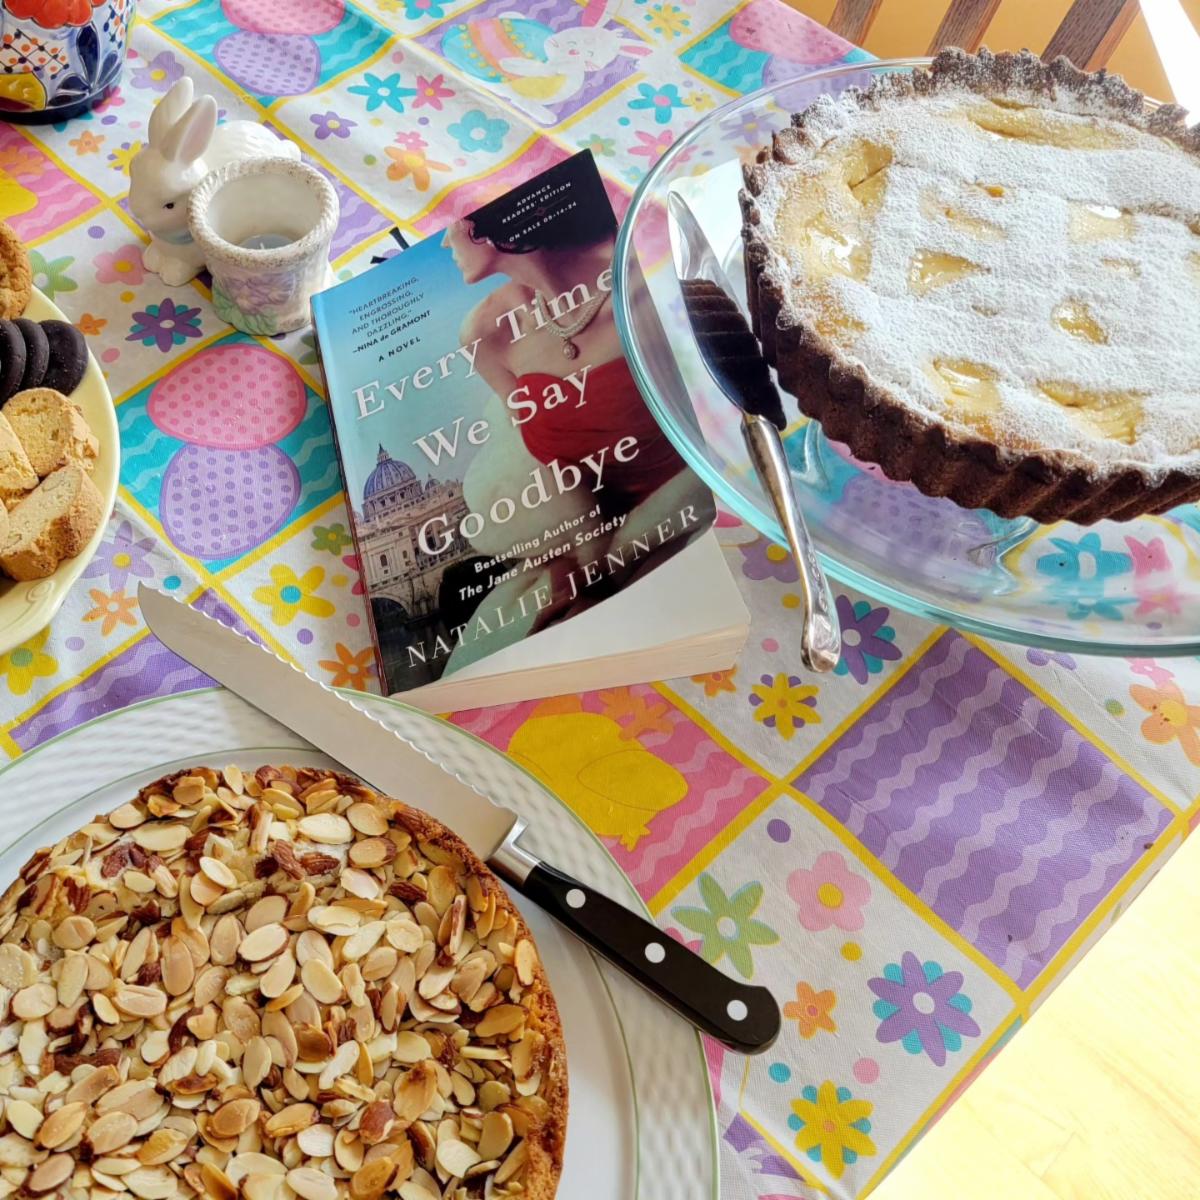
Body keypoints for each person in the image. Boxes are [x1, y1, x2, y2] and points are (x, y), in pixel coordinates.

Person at [437, 178, 702, 669]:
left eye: (447, 225)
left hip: (687, 519)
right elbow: (540, 470)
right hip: (581, 548)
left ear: (479, 227)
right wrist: (564, 566)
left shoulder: (641, 278)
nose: (442, 242)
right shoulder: (485, 334)